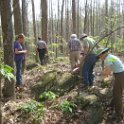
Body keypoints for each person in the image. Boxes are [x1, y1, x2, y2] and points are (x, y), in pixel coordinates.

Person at [97, 48, 124, 122]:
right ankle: (112, 106)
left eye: (99, 56)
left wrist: (99, 74)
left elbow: (107, 72)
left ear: (102, 54)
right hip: (119, 73)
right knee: (115, 91)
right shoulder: (110, 57)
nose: (99, 58)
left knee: (118, 95)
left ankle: (119, 116)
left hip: (120, 75)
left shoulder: (107, 59)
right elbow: (110, 69)